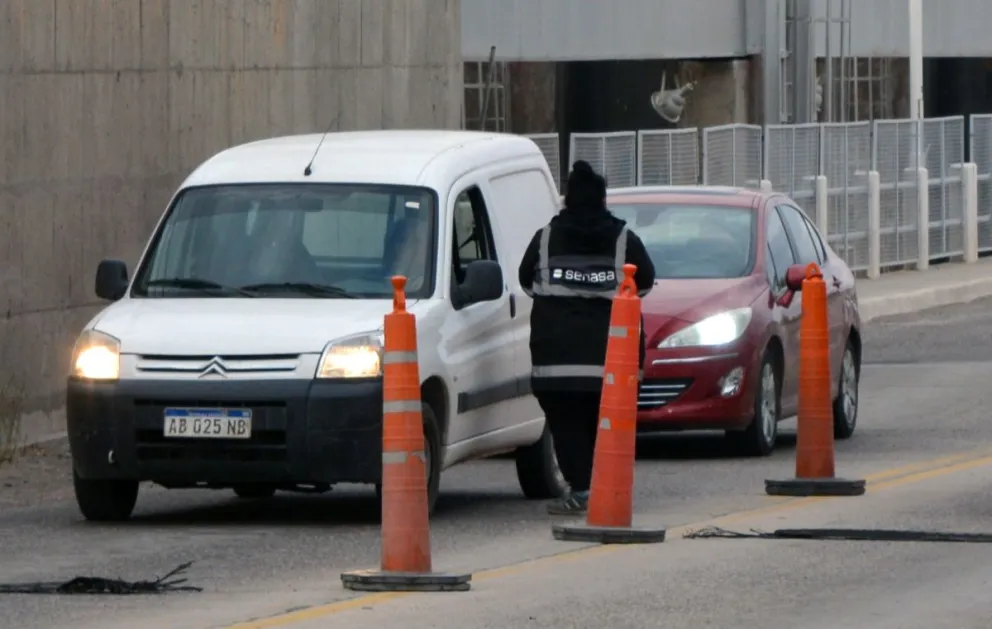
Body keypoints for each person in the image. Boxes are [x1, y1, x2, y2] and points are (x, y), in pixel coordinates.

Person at [518, 160, 656, 515]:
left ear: (567, 199)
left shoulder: (546, 237)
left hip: (556, 359)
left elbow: (525, 279)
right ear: (602, 199)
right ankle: (604, 486)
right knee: (606, 421)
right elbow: (646, 281)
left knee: (566, 425)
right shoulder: (624, 238)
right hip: (611, 358)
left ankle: (581, 488)